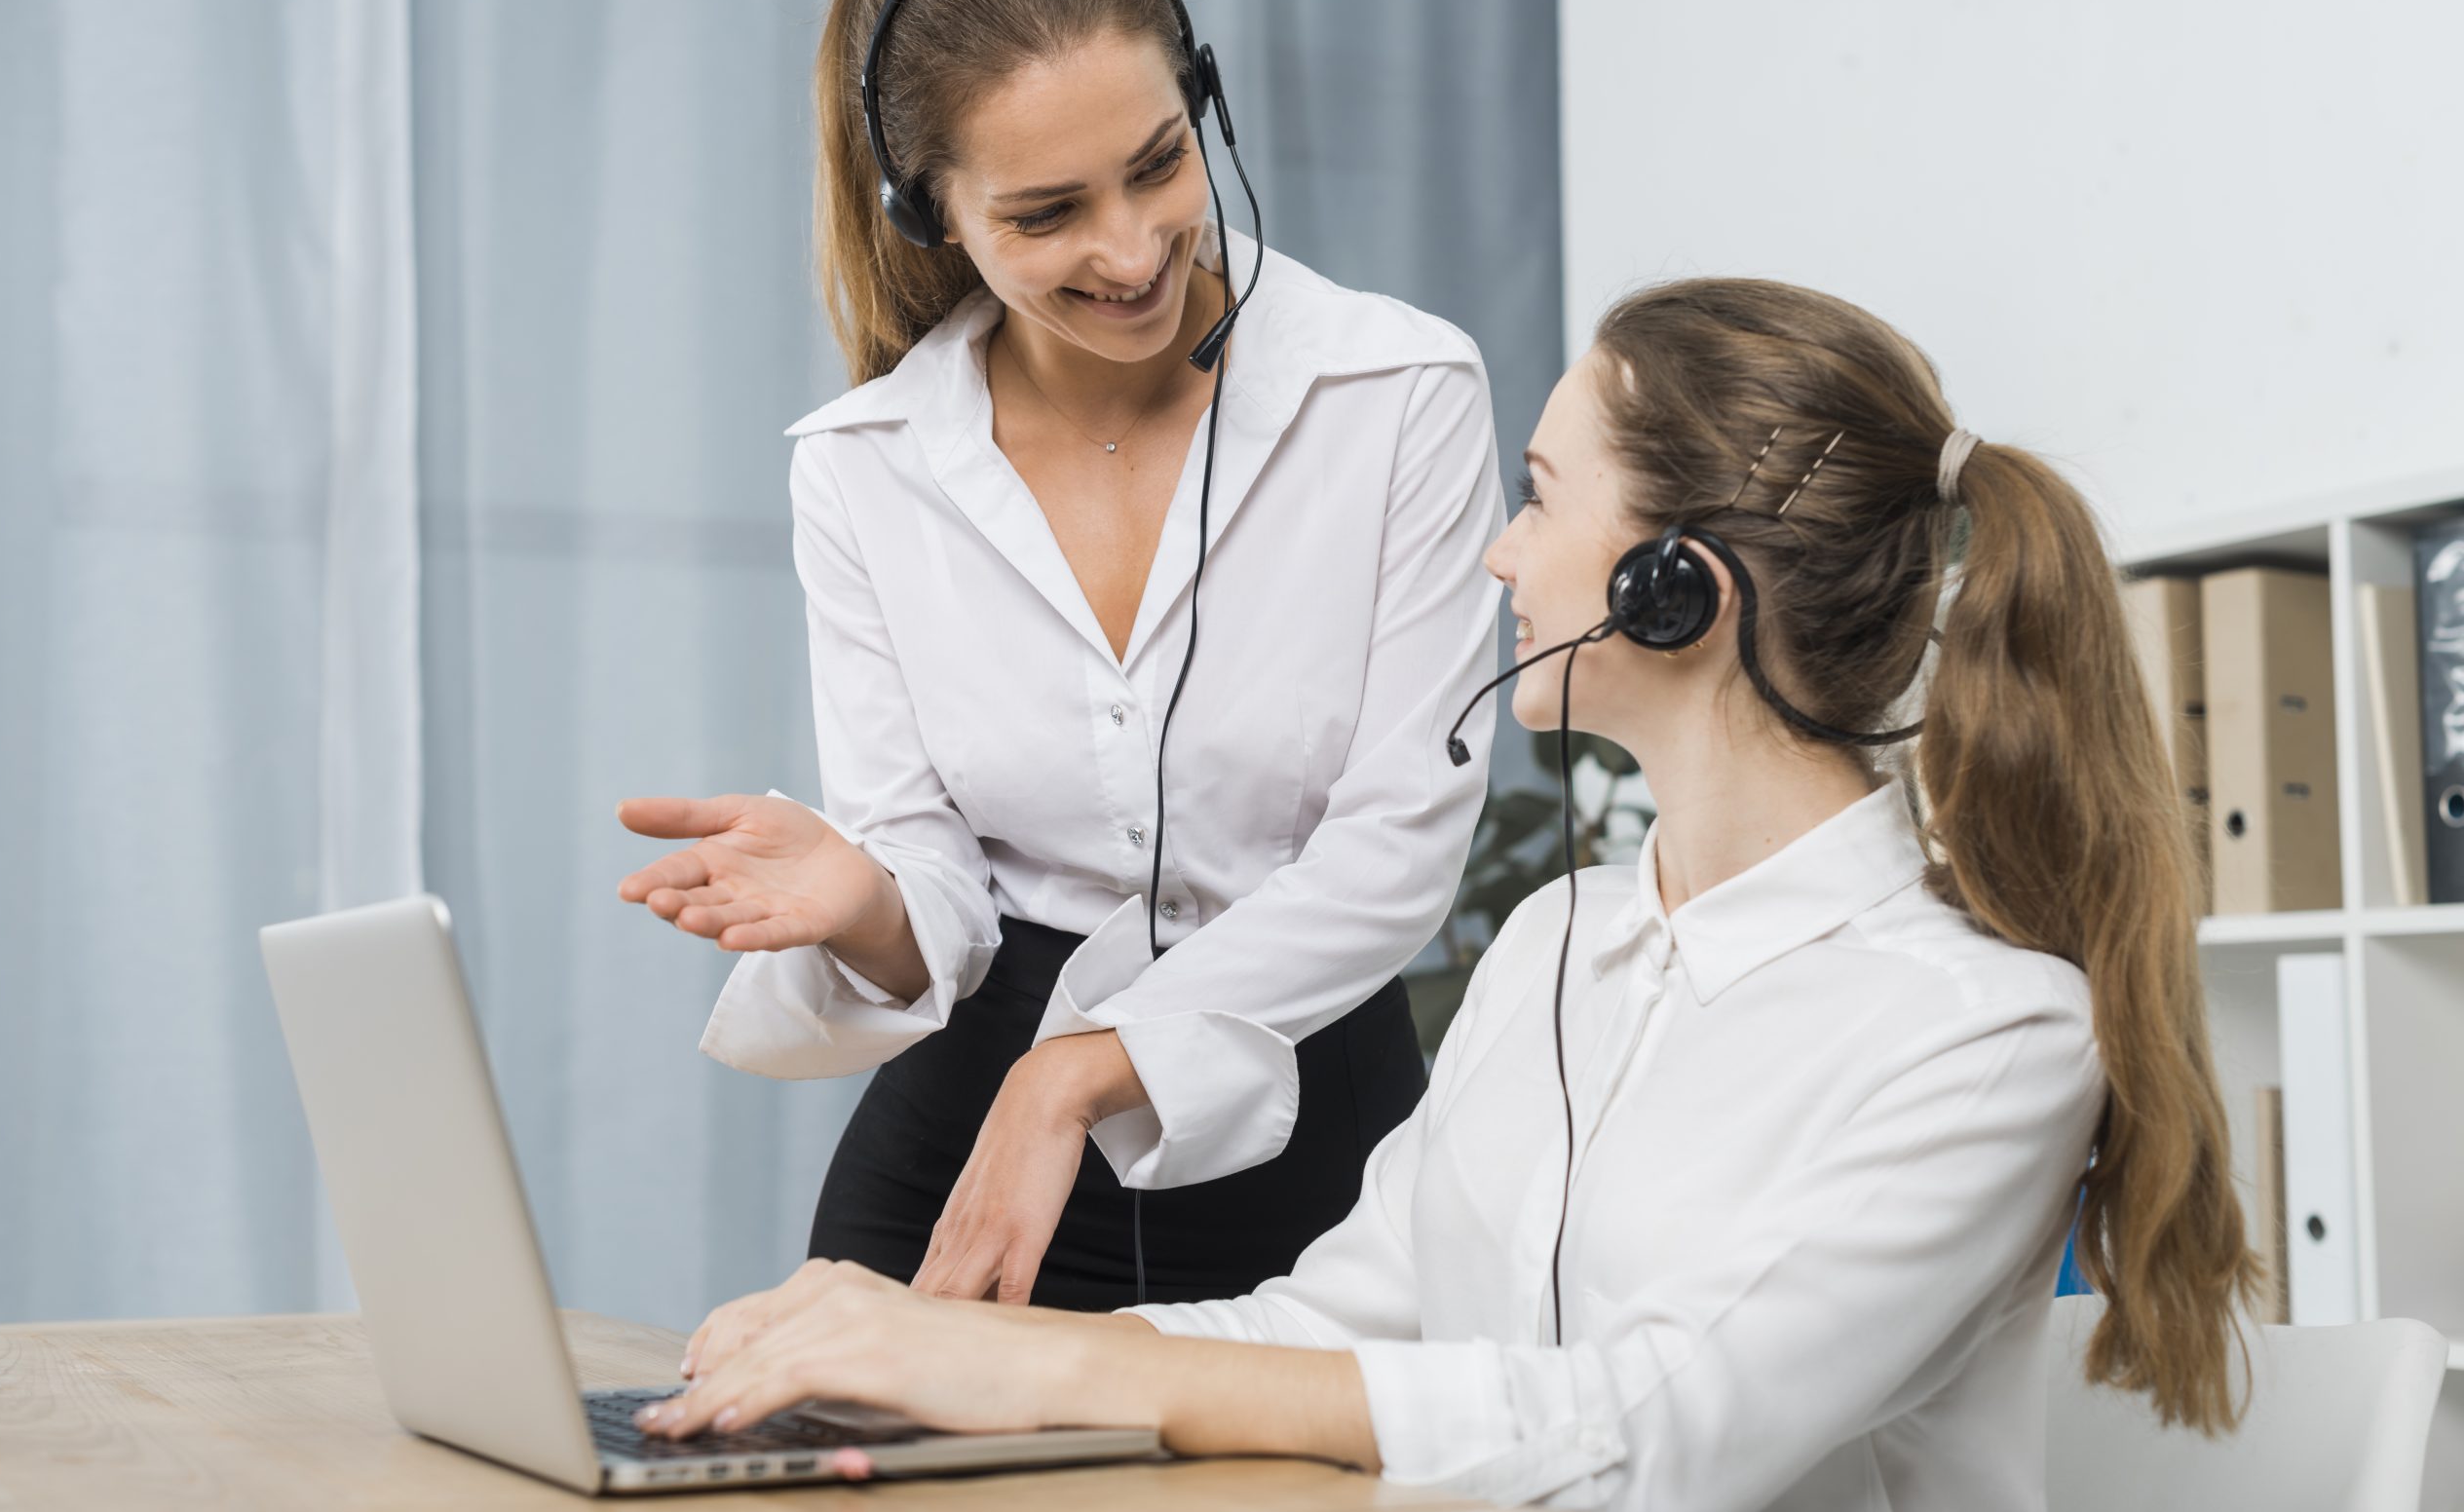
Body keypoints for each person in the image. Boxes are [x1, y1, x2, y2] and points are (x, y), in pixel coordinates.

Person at [633, 279, 2256, 1512]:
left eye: (1542, 495)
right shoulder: (1565, 944)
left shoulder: (1983, 1030)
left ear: (1674, 586)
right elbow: (1331, 1323)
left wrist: (1022, 1362)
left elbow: (1657, 1431)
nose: (1496, 553)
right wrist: (942, 1361)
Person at [614, 0, 1503, 1311]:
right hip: (963, 1152)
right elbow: (939, 887)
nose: (1134, 247)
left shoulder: (1397, 397)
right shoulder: (862, 470)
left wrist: (1081, 1073)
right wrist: (866, 903)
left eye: (1160, 163)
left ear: (1201, 101)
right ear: (933, 214)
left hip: (1308, 1131)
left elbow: (1397, 848)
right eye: (1047, 212)